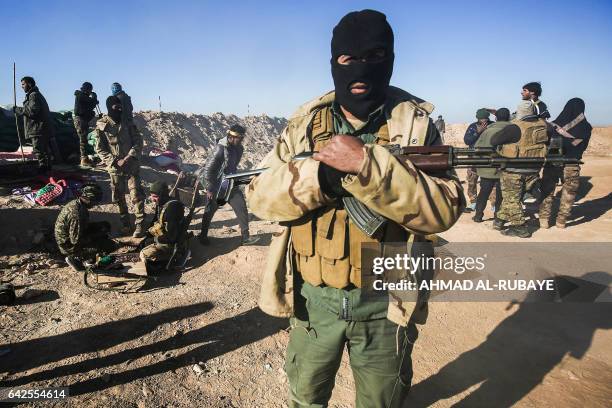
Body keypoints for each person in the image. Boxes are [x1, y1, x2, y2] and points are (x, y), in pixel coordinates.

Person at [246, 10, 464, 407]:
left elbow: (444, 210)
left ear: (391, 61)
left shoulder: (414, 126)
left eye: (374, 57)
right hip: (315, 302)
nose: (359, 69)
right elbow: (258, 195)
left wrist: (368, 166)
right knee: (306, 398)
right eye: (347, 60)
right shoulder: (303, 126)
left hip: (386, 306)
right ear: (334, 64)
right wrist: (322, 178)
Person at [198, 124, 259, 246]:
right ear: (231, 137)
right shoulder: (220, 149)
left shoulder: (239, 149)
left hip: (231, 184)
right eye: (239, 138)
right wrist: (209, 189)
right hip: (216, 186)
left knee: (241, 208)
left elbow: (232, 167)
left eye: (242, 138)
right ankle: (202, 235)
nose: (241, 141)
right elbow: (208, 171)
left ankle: (246, 238)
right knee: (209, 211)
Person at [95, 95, 146, 237]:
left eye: (120, 105)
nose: (119, 108)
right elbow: (99, 149)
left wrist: (129, 156)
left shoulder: (128, 122)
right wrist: (114, 161)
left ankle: (140, 224)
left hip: (131, 165)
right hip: (115, 168)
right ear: (109, 107)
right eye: (115, 106)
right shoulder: (101, 125)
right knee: (119, 197)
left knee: (137, 195)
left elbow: (138, 141)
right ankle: (125, 224)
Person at [495, 101, 547, 238]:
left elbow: (494, 140)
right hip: (533, 170)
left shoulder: (515, 127)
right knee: (511, 197)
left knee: (512, 198)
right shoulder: (543, 126)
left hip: (514, 169)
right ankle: (500, 220)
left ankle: (519, 227)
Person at [538, 98, 592, 229]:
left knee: (547, 190)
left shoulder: (554, 125)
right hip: (572, 164)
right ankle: (561, 220)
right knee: (569, 193)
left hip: (552, 162)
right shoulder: (586, 127)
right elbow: (583, 147)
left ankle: (544, 220)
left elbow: (545, 143)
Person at [54, 183, 116, 271]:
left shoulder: (78, 203)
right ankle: (76, 258)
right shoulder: (76, 214)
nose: (96, 204)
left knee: (104, 225)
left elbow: (82, 228)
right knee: (108, 245)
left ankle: (88, 257)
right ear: (87, 198)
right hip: (68, 245)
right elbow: (75, 240)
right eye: (94, 200)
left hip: (72, 236)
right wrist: (97, 235)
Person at [472, 108, 511, 225]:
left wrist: (477, 165)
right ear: (509, 117)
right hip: (506, 169)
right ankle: (498, 217)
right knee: (501, 195)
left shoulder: (487, 131)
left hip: (487, 169)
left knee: (484, 193)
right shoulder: (513, 130)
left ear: (495, 118)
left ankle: (478, 215)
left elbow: (477, 149)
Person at [140, 181, 189, 273]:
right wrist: (148, 235)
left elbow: (172, 237)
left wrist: (155, 239)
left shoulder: (172, 208)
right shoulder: (162, 204)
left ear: (162, 195)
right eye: (151, 196)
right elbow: (156, 220)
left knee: (144, 255)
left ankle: (171, 258)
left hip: (172, 243)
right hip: (165, 236)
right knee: (143, 244)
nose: (152, 199)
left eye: (155, 196)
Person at [13, 76, 52, 171]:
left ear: (29, 84)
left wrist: (18, 110)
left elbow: (33, 111)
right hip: (41, 128)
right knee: (44, 150)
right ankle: (47, 168)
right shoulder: (36, 94)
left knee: (38, 150)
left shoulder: (33, 95)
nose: (22, 87)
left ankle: (43, 168)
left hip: (37, 128)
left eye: (23, 84)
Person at [463, 108, 493, 212]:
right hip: (473, 158)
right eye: (481, 119)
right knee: (472, 180)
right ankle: (473, 202)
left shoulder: (492, 125)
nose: (483, 121)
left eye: (485, 118)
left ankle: (494, 203)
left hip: (489, 157)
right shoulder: (473, 126)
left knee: (491, 181)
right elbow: (467, 141)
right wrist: (478, 132)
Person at [73, 82, 99, 167]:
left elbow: (90, 105)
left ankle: (83, 158)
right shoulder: (81, 96)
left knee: (83, 139)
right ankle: (83, 159)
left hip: (82, 119)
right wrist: (94, 97)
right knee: (82, 140)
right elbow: (91, 103)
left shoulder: (82, 96)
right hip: (81, 120)